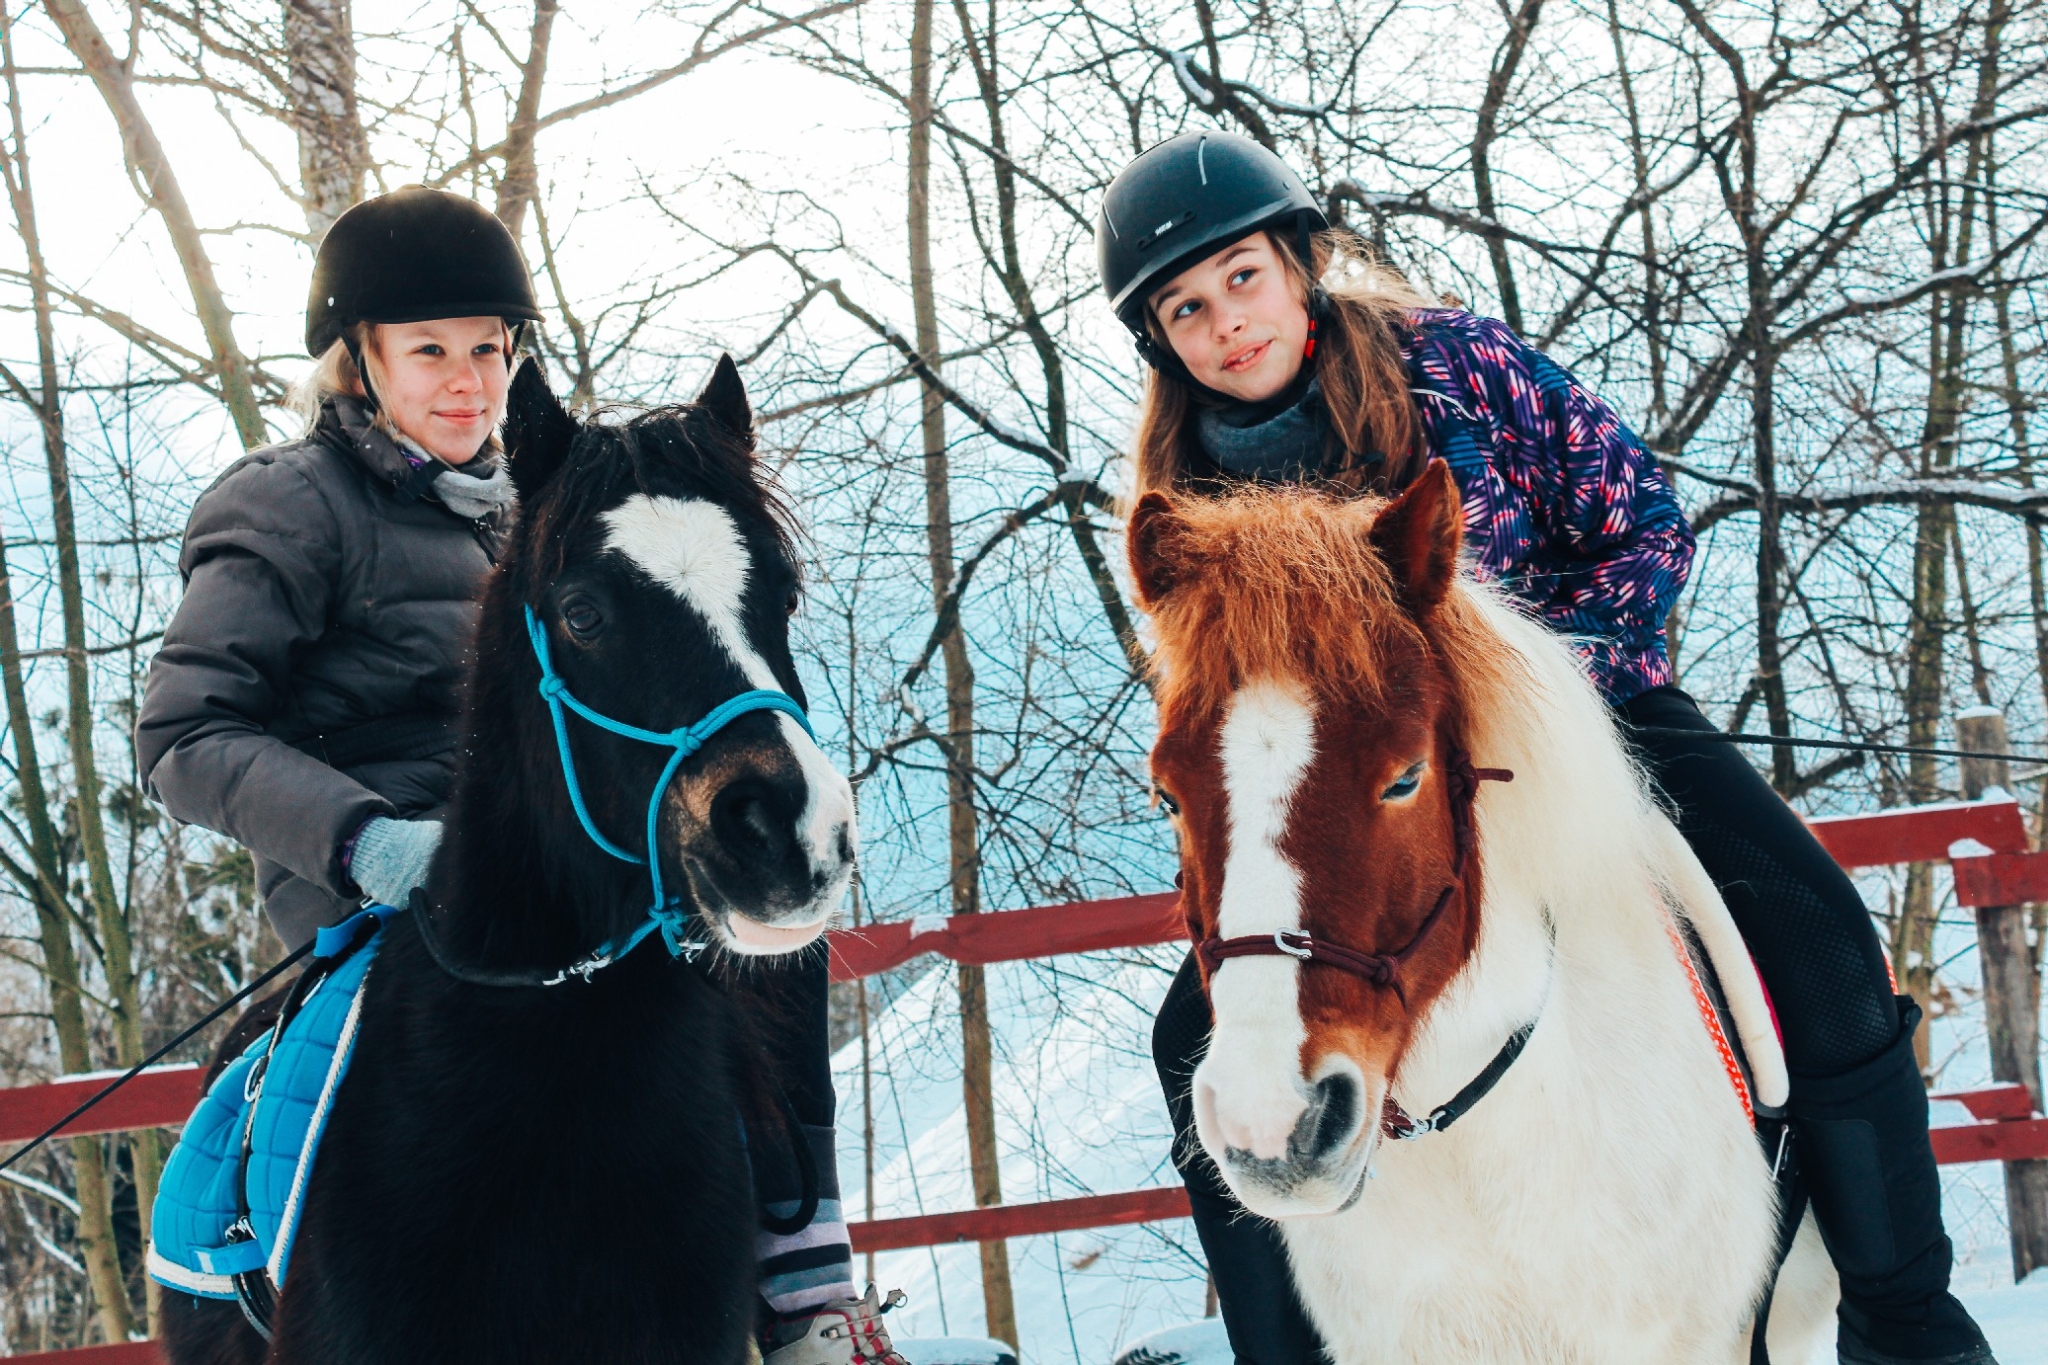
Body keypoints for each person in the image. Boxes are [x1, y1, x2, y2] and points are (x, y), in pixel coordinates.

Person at [1097, 131, 1997, 1365]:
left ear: (1298, 262)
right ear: (1161, 341)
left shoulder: (1453, 363)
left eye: (1241, 277)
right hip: (1353, 795)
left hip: (1585, 711)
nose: (1224, 324)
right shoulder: (1178, 481)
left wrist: (1530, 678)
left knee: (1818, 931)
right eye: (1184, 309)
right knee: (1184, 1045)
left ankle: (1907, 1323)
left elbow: (1639, 518)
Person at [134, 186, 909, 1365]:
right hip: (387, 897)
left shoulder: (545, 503)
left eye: (489, 350)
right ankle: (263, 1282)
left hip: (579, 875)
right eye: (429, 349)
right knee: (302, 1101)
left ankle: (799, 1278)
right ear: (359, 359)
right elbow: (184, 734)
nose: (466, 379)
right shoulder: (290, 505)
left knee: (765, 930)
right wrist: (365, 842)